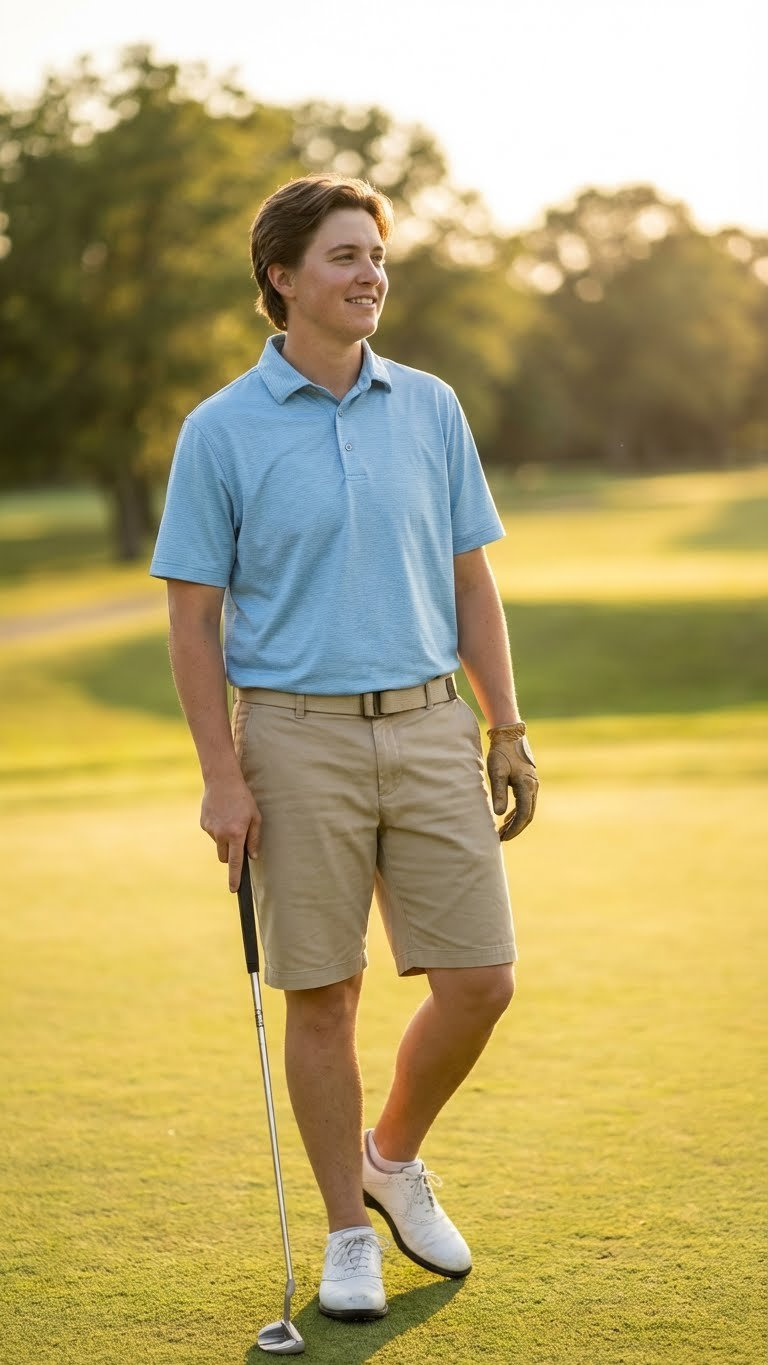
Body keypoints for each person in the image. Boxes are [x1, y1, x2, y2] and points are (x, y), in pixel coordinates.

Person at [150, 173, 538, 1322]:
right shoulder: (219, 429)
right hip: (291, 737)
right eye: (344, 256)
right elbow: (191, 617)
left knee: (481, 983)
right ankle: (343, 1236)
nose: (371, 273)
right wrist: (221, 777)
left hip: (429, 722)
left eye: (378, 255)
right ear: (282, 279)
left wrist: (505, 724)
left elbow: (473, 578)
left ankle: (392, 1155)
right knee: (322, 995)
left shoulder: (430, 406)